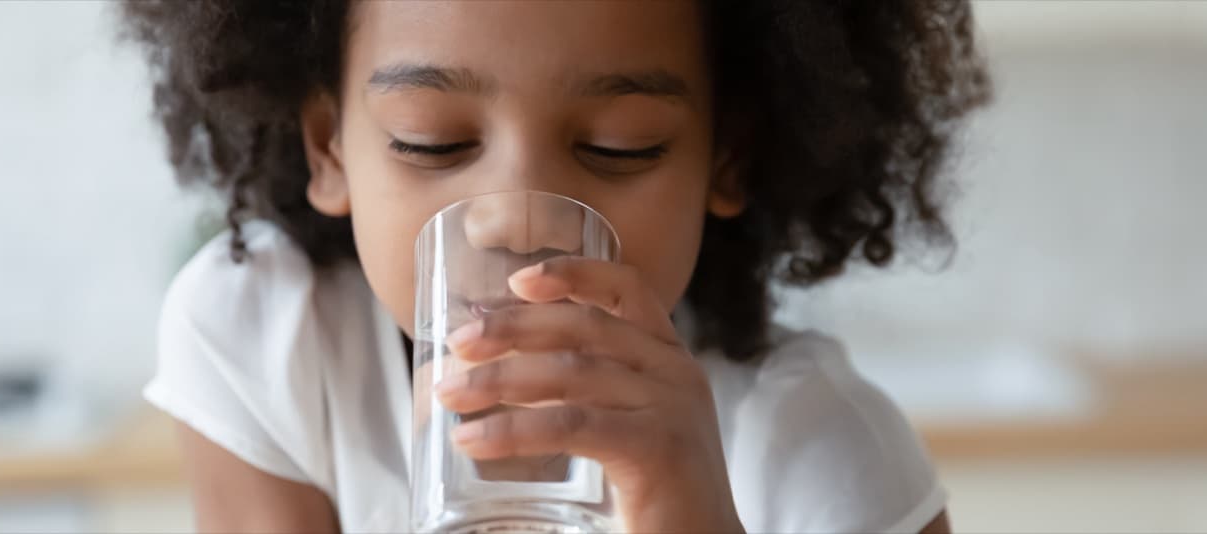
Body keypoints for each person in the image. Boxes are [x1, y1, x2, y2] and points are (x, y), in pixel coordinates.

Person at [122, 1, 990, 532]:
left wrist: (686, 512)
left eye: (621, 148)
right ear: (330, 148)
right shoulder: (269, 338)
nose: (515, 217)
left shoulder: (816, 449)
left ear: (725, 160)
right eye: (435, 141)